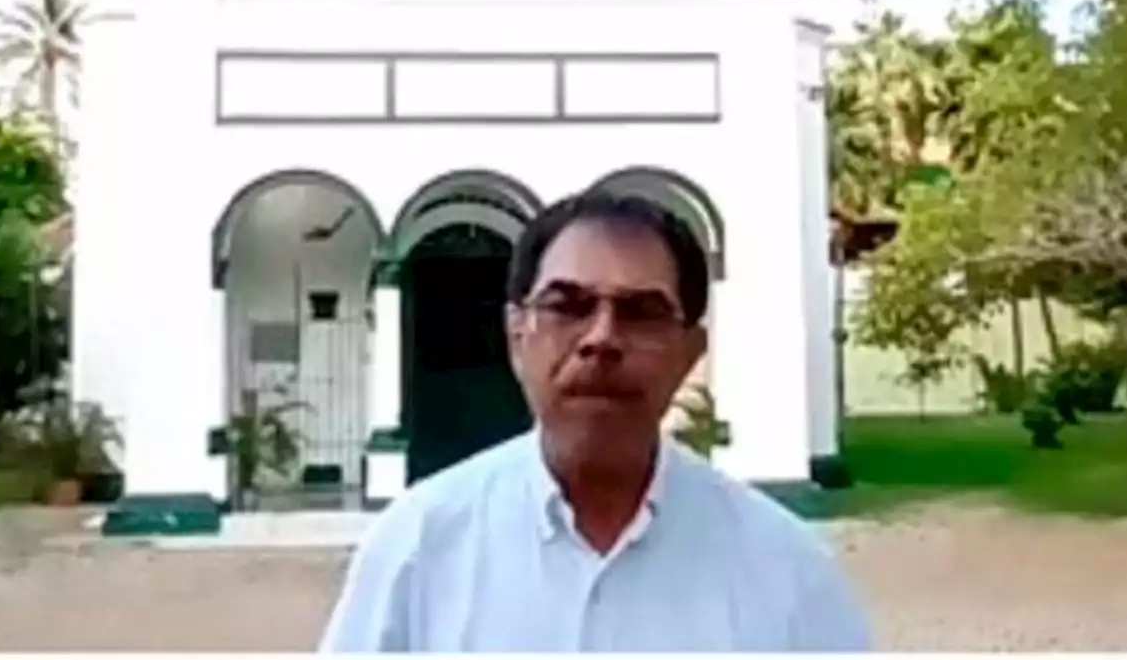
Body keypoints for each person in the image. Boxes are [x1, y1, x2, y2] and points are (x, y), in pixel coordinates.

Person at [320, 191, 871, 652]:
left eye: (641, 313)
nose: (601, 338)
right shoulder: (417, 548)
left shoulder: (788, 571)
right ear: (517, 336)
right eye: (568, 305)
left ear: (690, 351)